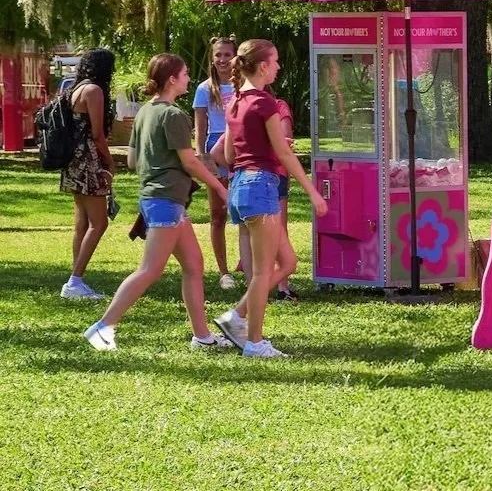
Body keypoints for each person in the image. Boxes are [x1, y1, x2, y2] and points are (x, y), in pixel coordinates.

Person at [83, 55, 234, 351]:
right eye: (185, 73)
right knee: (150, 270)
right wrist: (219, 186)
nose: (189, 78)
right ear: (172, 80)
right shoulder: (174, 116)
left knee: (194, 265)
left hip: (160, 200)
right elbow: (189, 161)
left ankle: (202, 337)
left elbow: (132, 160)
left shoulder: (144, 113)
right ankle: (102, 328)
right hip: (165, 201)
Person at [211, 40, 326, 359]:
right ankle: (255, 343)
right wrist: (313, 191)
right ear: (262, 65)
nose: (278, 66)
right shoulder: (264, 103)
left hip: (241, 187)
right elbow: (285, 154)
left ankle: (236, 316)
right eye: (274, 61)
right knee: (264, 273)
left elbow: (228, 154)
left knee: (288, 262)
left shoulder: (235, 101)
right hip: (261, 186)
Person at [58, 48, 119, 301]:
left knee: (82, 222)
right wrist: (109, 161)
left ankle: (76, 279)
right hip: (88, 160)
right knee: (99, 222)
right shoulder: (94, 91)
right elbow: (97, 134)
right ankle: (74, 282)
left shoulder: (74, 89)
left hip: (73, 160)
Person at [193, 37, 241, 290]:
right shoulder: (204, 89)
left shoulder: (244, 85)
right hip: (215, 150)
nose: (222, 60)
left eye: (227, 55)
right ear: (212, 58)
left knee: (247, 211)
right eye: (218, 55)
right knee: (217, 215)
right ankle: (224, 272)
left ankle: (249, 261)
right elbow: (199, 127)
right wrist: (202, 156)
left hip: (241, 148)